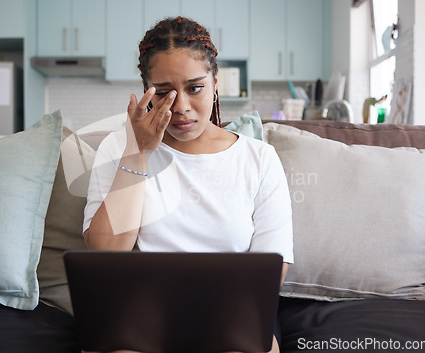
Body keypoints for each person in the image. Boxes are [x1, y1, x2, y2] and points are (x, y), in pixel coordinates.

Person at [83, 16, 293, 353]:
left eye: (195, 88)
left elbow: (272, 271)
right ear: (146, 89)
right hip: (139, 312)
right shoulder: (117, 148)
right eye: (164, 93)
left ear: (214, 82)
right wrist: (139, 153)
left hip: (232, 313)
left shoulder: (260, 159)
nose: (180, 107)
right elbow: (104, 254)